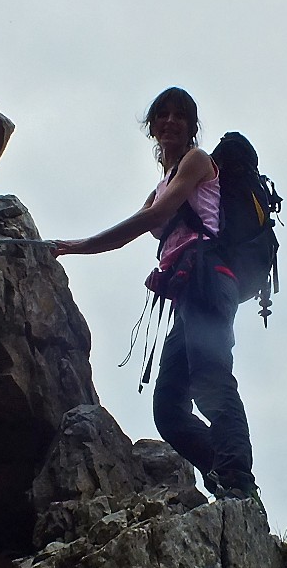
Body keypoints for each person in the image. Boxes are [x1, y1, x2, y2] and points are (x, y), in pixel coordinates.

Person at [51, 87, 262, 509]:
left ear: (192, 126)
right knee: (168, 410)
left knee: (212, 383)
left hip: (207, 279)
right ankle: (222, 470)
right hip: (188, 291)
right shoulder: (161, 185)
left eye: (179, 116)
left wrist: (77, 244)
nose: (170, 121)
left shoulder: (199, 162)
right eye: (162, 115)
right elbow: (151, 215)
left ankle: (240, 484)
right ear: (152, 126)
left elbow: (153, 219)